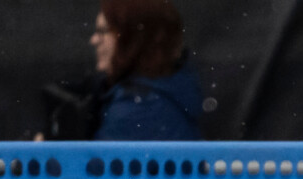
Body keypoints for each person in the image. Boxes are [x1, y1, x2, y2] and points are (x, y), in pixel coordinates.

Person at [46, 0, 206, 141]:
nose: (94, 40)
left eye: (103, 31)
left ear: (133, 39)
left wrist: (49, 153)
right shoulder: (158, 93)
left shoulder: (141, 108)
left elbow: (90, 171)